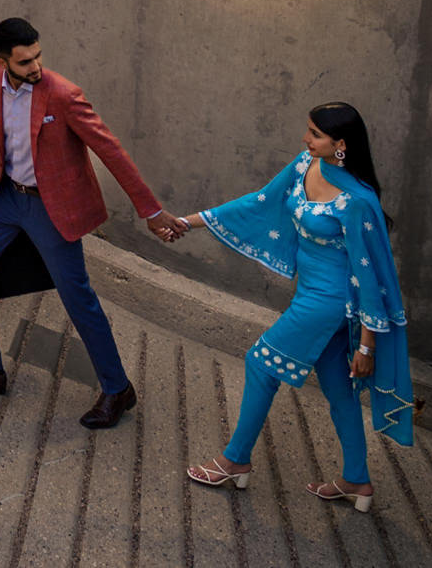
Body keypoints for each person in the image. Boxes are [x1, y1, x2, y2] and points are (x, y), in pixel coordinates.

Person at [0, 18, 186, 429]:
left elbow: (112, 151)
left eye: (38, 56)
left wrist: (152, 212)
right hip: (5, 199)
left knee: (76, 298)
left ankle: (117, 388)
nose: (35, 67)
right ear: (1, 62)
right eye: (24, 61)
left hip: (50, 210)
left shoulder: (64, 95)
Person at [168, 101, 414, 510]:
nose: (305, 139)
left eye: (315, 134)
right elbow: (259, 202)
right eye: (309, 131)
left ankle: (235, 459)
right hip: (311, 295)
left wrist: (367, 345)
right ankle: (357, 481)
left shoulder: (356, 202)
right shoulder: (306, 165)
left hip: (330, 303)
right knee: (338, 389)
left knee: (260, 362)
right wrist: (189, 222)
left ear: (341, 144)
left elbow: (368, 276)